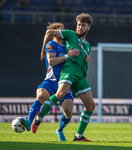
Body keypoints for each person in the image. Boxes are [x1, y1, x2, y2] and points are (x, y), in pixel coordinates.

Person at [33, 13, 95, 142]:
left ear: (88, 27)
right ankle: (38, 118)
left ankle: (78, 136)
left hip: (80, 75)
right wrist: (43, 51)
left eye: (83, 25)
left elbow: (81, 57)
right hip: (69, 69)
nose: (80, 27)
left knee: (90, 105)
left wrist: (86, 61)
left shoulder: (87, 46)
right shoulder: (70, 34)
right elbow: (50, 32)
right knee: (60, 93)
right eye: (78, 25)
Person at [19, 22, 80, 141]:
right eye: (58, 30)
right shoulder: (51, 44)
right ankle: (29, 121)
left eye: (62, 30)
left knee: (68, 111)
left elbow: (78, 61)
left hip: (64, 82)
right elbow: (51, 61)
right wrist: (67, 55)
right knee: (41, 95)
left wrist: (85, 59)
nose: (61, 32)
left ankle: (60, 130)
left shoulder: (69, 45)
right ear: (53, 34)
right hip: (51, 81)